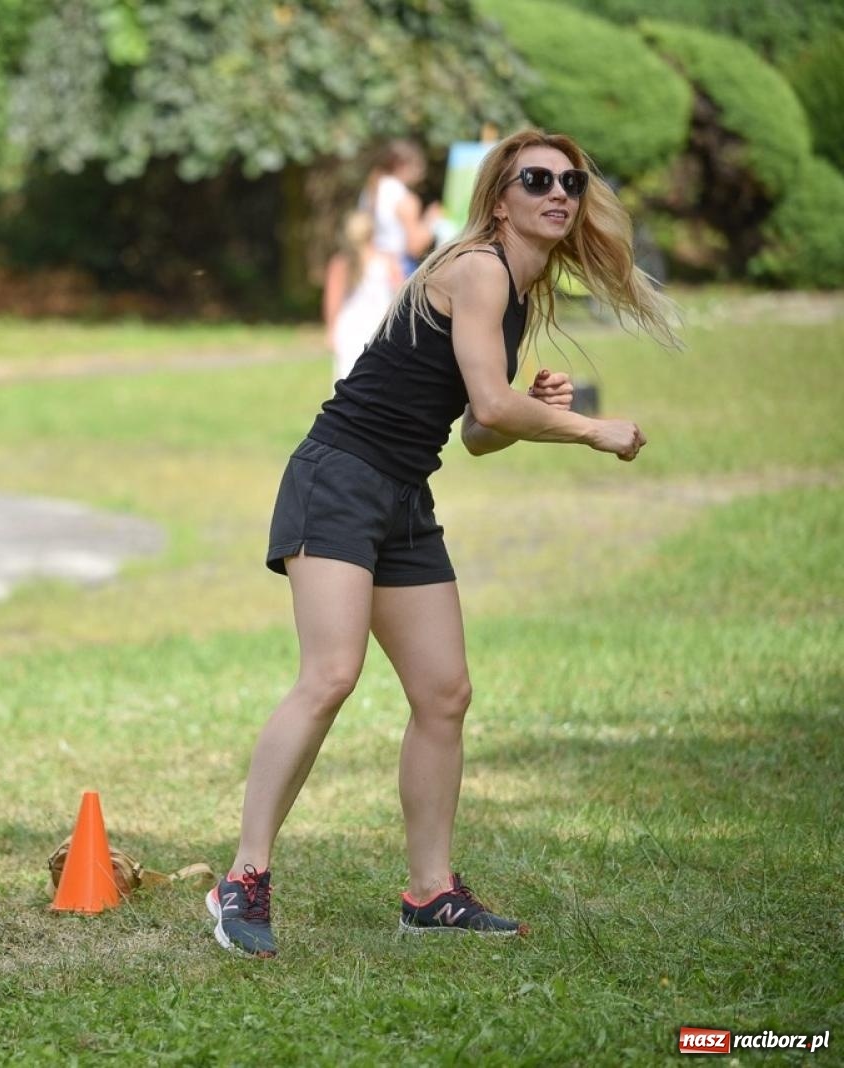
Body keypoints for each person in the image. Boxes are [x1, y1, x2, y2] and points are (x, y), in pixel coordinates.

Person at [206, 128, 679, 957]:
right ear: (502, 199)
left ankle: (429, 894)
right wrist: (588, 427)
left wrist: (534, 406)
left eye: (571, 179)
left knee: (444, 693)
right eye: (537, 179)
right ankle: (242, 880)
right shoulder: (479, 269)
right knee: (330, 675)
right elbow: (493, 414)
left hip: (401, 493)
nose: (558, 192)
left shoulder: (519, 295)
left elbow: (476, 432)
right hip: (340, 477)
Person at [322, 211, 404, 385]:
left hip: (349, 328)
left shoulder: (341, 263)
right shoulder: (386, 260)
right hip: (379, 326)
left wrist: (330, 329)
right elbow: (401, 295)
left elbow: (332, 300)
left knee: (346, 380)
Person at [360, 140, 441, 276]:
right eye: (418, 166)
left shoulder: (369, 191)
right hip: (397, 269)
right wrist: (430, 221)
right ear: (402, 165)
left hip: (368, 265)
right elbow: (414, 247)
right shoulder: (405, 198)